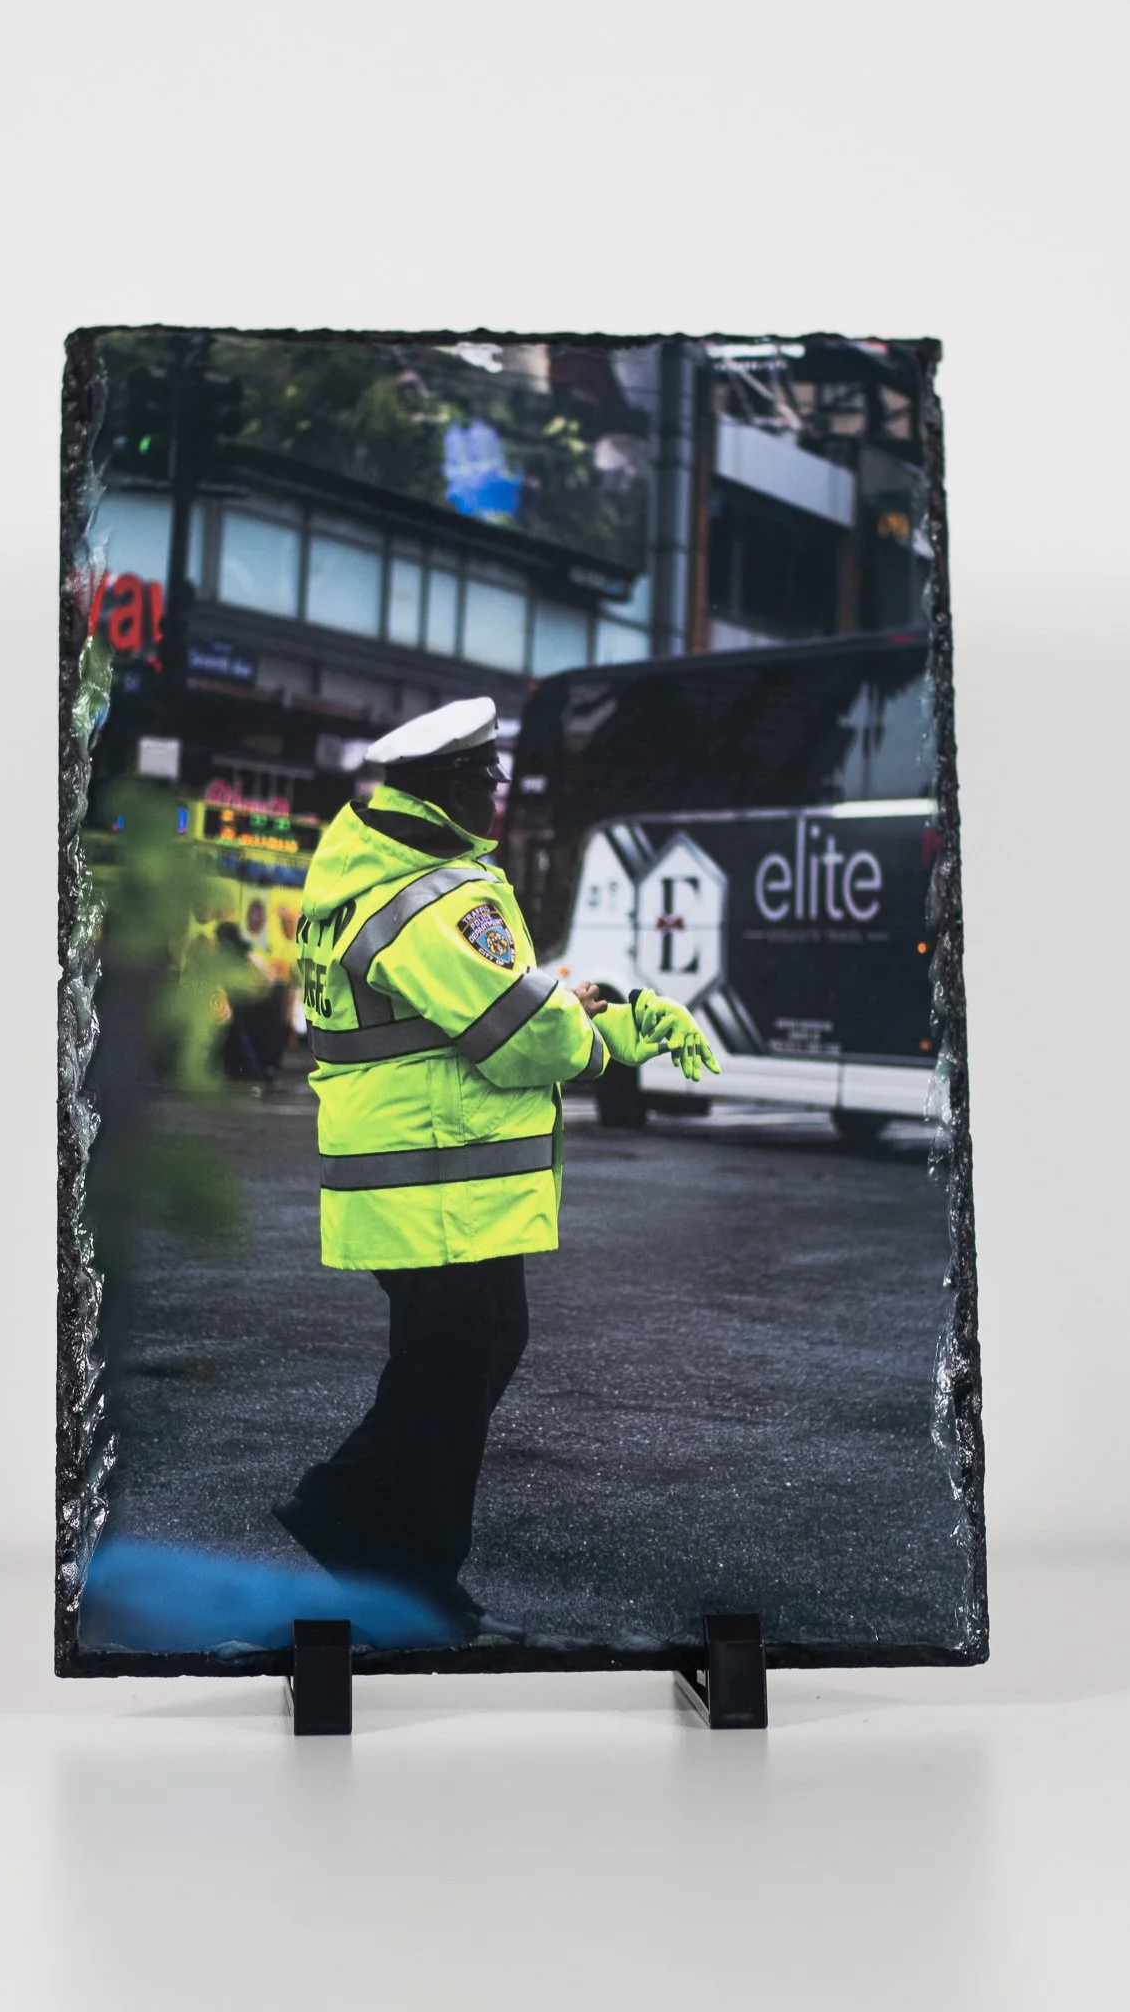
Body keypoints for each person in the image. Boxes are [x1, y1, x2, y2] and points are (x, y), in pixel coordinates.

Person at [272, 695, 718, 1640]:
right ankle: (389, 1556)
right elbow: (518, 1041)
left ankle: (368, 1533)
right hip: (438, 1178)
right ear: (442, 784)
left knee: (459, 1355)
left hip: (407, 1173)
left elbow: (456, 1006)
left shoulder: (371, 876)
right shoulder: (438, 895)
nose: (498, 795)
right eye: (486, 777)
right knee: (455, 1363)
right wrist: (613, 1036)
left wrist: (554, 990)